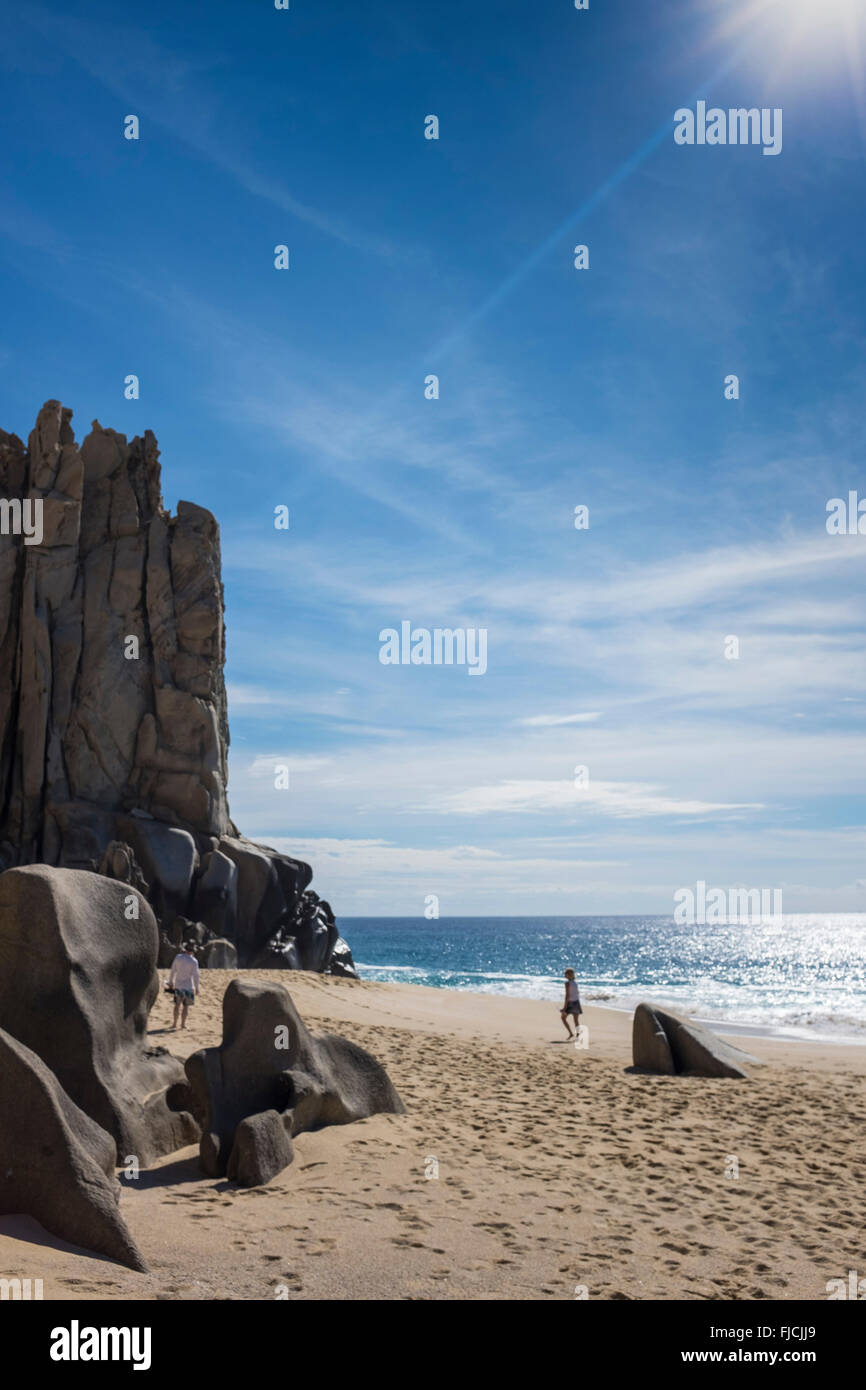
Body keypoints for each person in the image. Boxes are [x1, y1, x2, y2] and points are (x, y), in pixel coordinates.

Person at [169, 942, 200, 1030]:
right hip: (189, 986)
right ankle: (183, 1024)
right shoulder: (194, 961)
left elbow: (173, 971)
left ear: (185, 949)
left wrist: (171, 982)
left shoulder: (178, 957)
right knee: (186, 1006)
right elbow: (196, 976)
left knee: (177, 1005)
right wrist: (197, 988)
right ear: (193, 951)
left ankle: (174, 1024)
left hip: (178, 985)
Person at [560, 968, 582, 1039]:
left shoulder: (567, 983)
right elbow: (577, 993)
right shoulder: (575, 983)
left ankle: (571, 1033)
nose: (564, 975)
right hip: (576, 1002)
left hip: (570, 1003)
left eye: (565, 974)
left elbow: (567, 996)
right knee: (576, 1020)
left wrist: (564, 1007)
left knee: (563, 1018)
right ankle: (578, 1035)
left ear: (569, 975)